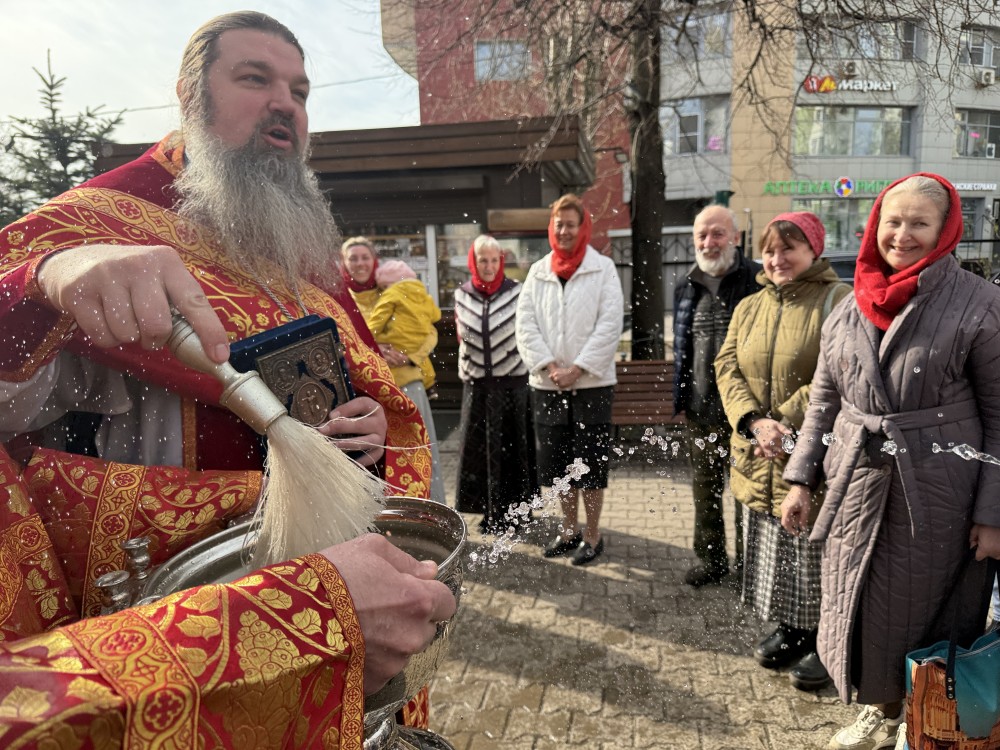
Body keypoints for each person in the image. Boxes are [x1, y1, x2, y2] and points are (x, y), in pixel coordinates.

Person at [0, 12, 454, 744]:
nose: (285, 105)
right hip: (181, 613)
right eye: (255, 78)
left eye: (300, 91)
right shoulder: (92, 229)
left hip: (339, 594)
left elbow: (370, 394)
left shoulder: (299, 246)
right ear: (189, 94)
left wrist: (368, 428)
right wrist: (47, 279)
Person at [781, 173, 1000, 750]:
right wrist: (800, 479)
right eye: (892, 221)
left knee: (933, 611)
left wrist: (992, 515)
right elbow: (824, 401)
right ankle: (880, 708)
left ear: (946, 230)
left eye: (919, 223)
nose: (902, 235)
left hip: (941, 495)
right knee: (859, 604)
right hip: (855, 483)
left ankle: (925, 718)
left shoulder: (979, 304)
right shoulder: (850, 303)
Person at [715, 212, 850, 693]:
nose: (777, 259)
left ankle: (828, 642)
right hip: (757, 448)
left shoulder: (838, 300)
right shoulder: (749, 305)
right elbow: (726, 365)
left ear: (814, 249)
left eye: (789, 248)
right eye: (770, 250)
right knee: (776, 547)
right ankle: (793, 628)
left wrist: (782, 421)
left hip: (810, 448)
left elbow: (837, 372)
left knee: (814, 550)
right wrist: (754, 421)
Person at [515, 194, 623, 565]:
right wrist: (549, 367)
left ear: (583, 228)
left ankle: (592, 535)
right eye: (558, 224)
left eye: (571, 224)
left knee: (590, 465)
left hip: (592, 385)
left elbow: (610, 323)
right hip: (548, 386)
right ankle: (568, 529)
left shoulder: (603, 268)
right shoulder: (537, 271)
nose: (564, 231)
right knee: (559, 466)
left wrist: (577, 368)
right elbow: (525, 324)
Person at [673, 205, 761, 587]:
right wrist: (681, 398)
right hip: (700, 412)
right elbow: (683, 346)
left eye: (718, 233)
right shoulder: (686, 284)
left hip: (746, 414)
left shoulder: (757, 279)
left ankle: (749, 567)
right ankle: (711, 560)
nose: (709, 242)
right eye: (702, 235)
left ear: (735, 238)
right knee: (704, 492)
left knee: (746, 494)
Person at [454, 234, 536, 533]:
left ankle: (518, 512)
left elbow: (527, 331)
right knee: (481, 452)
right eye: (482, 260)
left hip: (512, 385)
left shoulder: (517, 292)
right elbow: (462, 335)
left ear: (501, 262)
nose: (488, 266)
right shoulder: (462, 294)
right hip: (477, 386)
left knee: (513, 451)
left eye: (493, 260)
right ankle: (489, 511)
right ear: (473, 263)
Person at [367, 259, 446, 504]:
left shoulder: (391, 296)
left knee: (400, 451)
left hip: (391, 380)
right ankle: (430, 503)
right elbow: (434, 323)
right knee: (421, 448)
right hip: (416, 377)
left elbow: (369, 329)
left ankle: (403, 504)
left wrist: (375, 344)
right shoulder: (422, 296)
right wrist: (412, 355)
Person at [340, 235, 381, 317]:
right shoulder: (338, 299)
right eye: (353, 259)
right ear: (344, 263)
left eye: (365, 258)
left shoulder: (390, 291)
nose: (360, 263)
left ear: (374, 260)